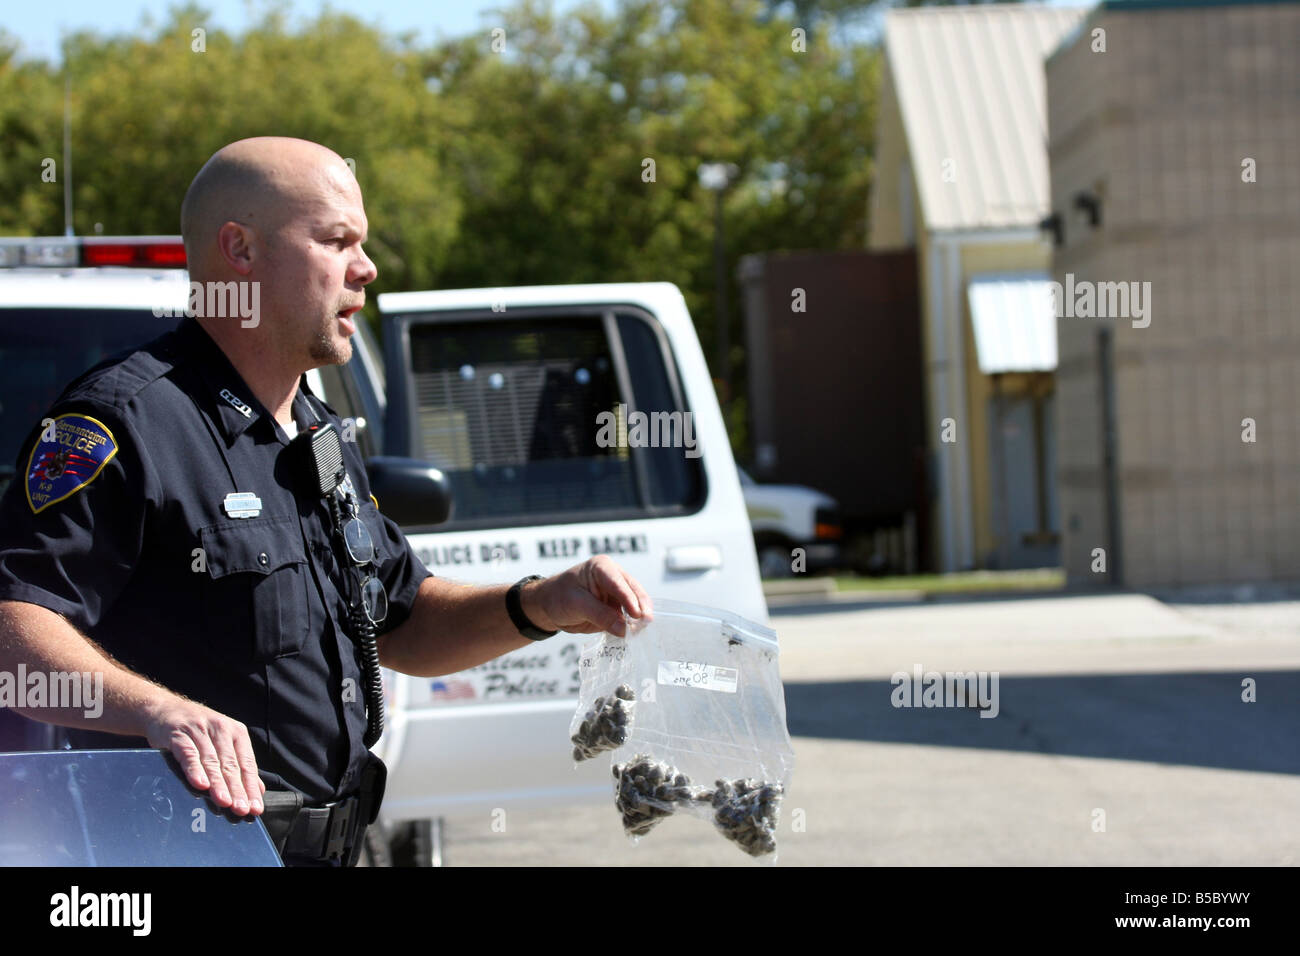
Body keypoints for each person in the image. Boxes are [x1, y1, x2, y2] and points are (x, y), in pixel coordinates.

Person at [0, 136, 653, 866]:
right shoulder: (124, 423)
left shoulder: (318, 434)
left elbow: (402, 621)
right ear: (240, 251)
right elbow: (12, 629)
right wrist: (157, 711)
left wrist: (543, 603)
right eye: (337, 240)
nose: (366, 268)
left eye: (361, 244)